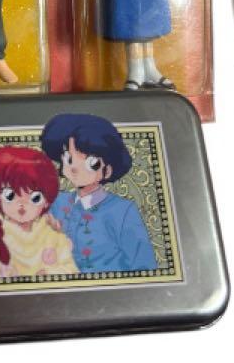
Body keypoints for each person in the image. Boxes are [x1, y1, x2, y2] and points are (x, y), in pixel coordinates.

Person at [40, 113, 157, 273]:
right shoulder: (57, 202)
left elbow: (144, 264)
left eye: (91, 163)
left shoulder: (123, 211)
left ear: (107, 170)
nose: (75, 168)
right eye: (69, 159)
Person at [0, 145, 76, 278]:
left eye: (35, 198)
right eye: (10, 195)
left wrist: (48, 274)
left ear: (46, 202)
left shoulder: (52, 233)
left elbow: (70, 270)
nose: (22, 204)